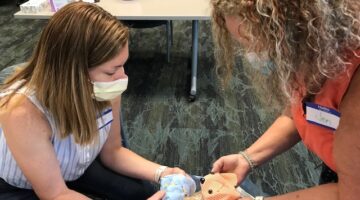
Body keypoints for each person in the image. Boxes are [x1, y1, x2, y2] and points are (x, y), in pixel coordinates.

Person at [0, 2, 186, 200]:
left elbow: (113, 152)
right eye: (111, 71)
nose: (122, 77)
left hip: (75, 166)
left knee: (142, 193)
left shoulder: (107, 86)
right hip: (24, 186)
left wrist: (164, 172)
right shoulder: (21, 112)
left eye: (122, 65)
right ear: (73, 73)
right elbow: (55, 193)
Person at [210, 0, 360, 199]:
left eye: (259, 48)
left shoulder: (354, 92)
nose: (252, 56)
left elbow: (349, 193)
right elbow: (304, 113)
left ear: (297, 29)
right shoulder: (312, 53)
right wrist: (247, 158)